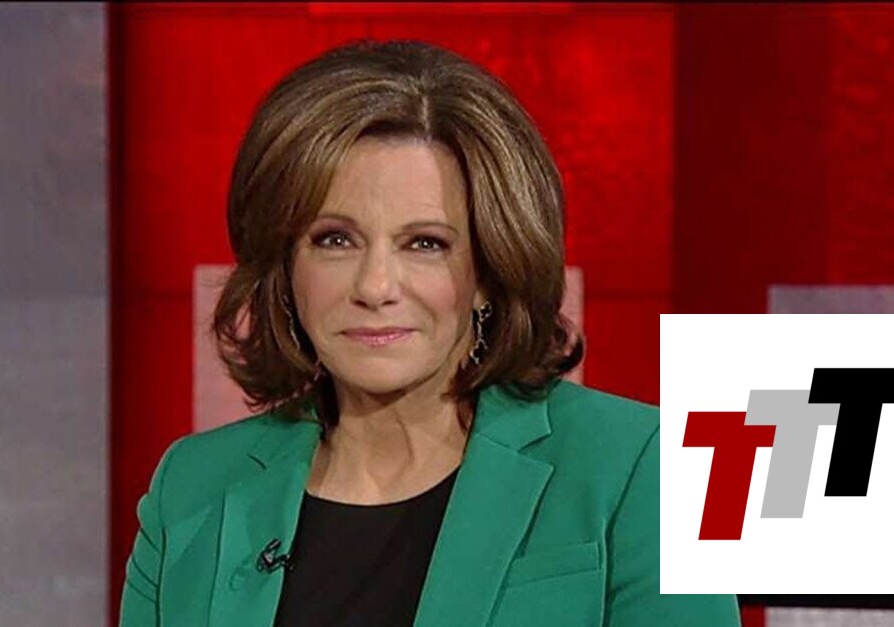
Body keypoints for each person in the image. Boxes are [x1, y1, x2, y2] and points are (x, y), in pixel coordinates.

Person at [119, 39, 739, 627]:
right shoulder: (193, 487)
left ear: (489, 271)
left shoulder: (634, 465)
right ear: (285, 267)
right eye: (335, 240)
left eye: (425, 244)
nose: (375, 285)